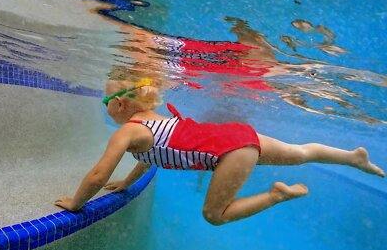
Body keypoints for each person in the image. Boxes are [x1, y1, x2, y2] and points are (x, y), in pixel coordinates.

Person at [55, 78, 385, 225]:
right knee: (299, 153)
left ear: (121, 103)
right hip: (235, 135)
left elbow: (99, 174)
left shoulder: (128, 131)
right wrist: (127, 182)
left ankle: (275, 195)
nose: (106, 108)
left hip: (233, 151)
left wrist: (75, 203)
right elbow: (149, 157)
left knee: (214, 215)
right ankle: (352, 158)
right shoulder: (155, 125)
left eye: (105, 102)